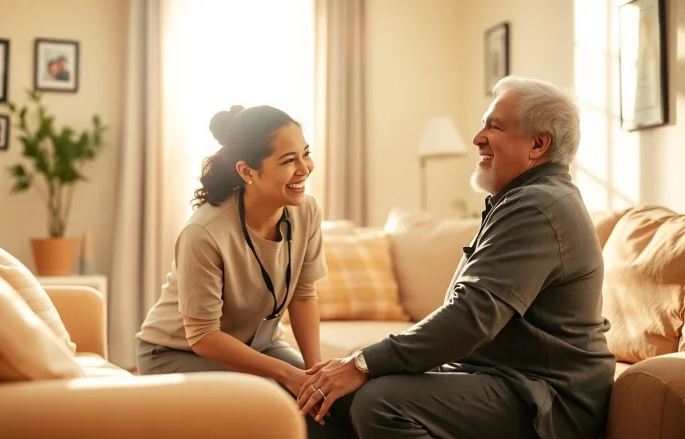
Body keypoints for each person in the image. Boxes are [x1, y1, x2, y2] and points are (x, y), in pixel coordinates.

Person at [297, 75, 617, 439]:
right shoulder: (522, 199)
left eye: (494, 126)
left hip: (547, 395)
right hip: (497, 377)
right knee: (324, 399)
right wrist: (359, 366)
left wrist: (364, 362)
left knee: (381, 401)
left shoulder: (538, 206)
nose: (477, 137)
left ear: (538, 144)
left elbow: (472, 317)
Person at [136, 105, 351, 438]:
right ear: (247, 171)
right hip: (176, 352)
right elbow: (203, 336)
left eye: (305, 154)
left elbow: (304, 294)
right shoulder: (204, 232)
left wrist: (313, 374)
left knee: (331, 406)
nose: (304, 169)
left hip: (258, 345)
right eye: (288, 160)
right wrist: (287, 376)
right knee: (270, 407)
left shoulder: (306, 211)